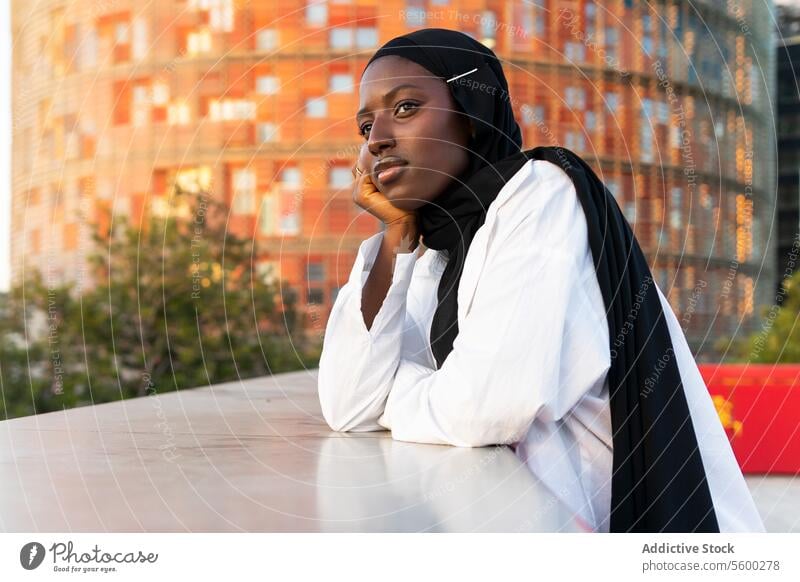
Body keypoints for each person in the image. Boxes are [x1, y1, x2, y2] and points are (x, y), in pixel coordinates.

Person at [317, 28, 764, 533]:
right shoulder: (440, 244)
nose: (376, 139)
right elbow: (349, 405)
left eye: (404, 108)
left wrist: (393, 394)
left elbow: (481, 412)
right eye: (364, 125)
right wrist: (395, 235)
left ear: (468, 115)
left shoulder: (542, 196)